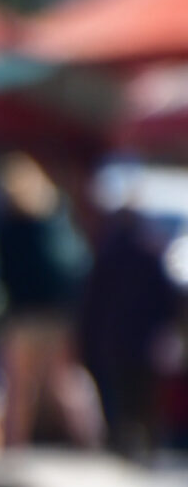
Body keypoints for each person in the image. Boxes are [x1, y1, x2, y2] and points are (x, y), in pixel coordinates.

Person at [0, 153, 101, 449]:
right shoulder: (53, 216)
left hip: (24, 315)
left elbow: (4, 273)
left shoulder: (10, 223)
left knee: (19, 386)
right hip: (59, 313)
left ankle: (13, 445)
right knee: (62, 380)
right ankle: (89, 439)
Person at [78, 188, 182, 458]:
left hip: (119, 334)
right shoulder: (148, 248)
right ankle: (145, 439)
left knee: (126, 389)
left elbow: (94, 297)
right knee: (142, 390)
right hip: (141, 333)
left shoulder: (110, 250)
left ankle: (128, 439)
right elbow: (166, 296)